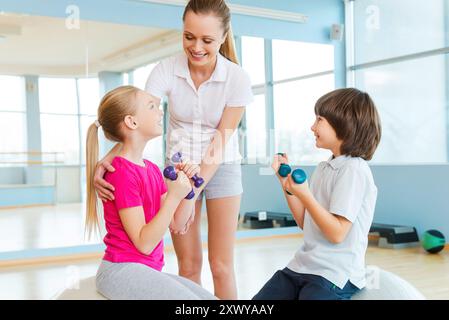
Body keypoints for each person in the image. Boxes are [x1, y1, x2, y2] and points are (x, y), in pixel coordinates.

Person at [93, 0, 253, 299]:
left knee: (221, 265)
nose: (196, 47)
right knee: (188, 264)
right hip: (178, 167)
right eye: (188, 36)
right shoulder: (166, 69)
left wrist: (190, 192)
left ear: (223, 36)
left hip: (221, 165)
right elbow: (139, 117)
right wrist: (107, 159)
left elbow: (221, 140)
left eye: (207, 40)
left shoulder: (237, 78)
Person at [85, 85, 217, 300]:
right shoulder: (121, 173)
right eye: (152, 106)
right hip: (120, 271)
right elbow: (144, 243)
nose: (160, 111)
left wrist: (190, 189)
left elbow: (176, 223)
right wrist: (174, 196)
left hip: (145, 270)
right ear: (132, 122)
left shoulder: (152, 169)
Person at [253, 88, 382, 300]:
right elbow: (307, 222)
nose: (312, 127)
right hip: (303, 265)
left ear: (344, 124)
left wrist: (305, 195)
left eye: (319, 119)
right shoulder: (324, 167)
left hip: (335, 273)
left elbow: (337, 233)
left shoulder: (354, 170)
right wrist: (287, 185)